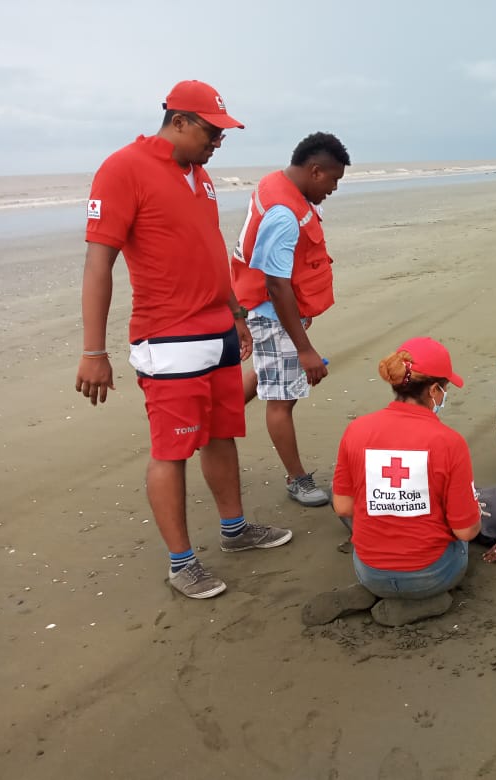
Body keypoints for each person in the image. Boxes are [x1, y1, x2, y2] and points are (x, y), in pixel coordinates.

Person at [76, 80, 292, 600]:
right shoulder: (123, 168)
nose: (219, 141)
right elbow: (98, 260)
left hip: (217, 328)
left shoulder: (200, 176)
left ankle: (235, 530)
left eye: (223, 134)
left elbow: (209, 250)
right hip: (168, 338)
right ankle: (181, 563)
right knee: (170, 451)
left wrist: (237, 315)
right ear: (178, 121)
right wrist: (93, 351)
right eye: (212, 131)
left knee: (221, 434)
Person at [309, 337, 481, 628]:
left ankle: (372, 589)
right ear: (433, 390)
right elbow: (465, 531)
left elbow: (342, 506)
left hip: (369, 570)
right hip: (431, 574)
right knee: (464, 540)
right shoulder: (449, 443)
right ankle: (428, 600)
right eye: (445, 388)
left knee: (359, 510)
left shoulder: (356, 430)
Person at [231, 132, 351, 507]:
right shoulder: (284, 214)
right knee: (282, 399)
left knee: (269, 374)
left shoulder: (277, 183)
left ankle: (214, 421)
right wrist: (305, 349)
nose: (333, 188)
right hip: (271, 313)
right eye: (333, 180)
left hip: (272, 311)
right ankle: (296, 478)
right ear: (315, 171)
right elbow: (276, 285)